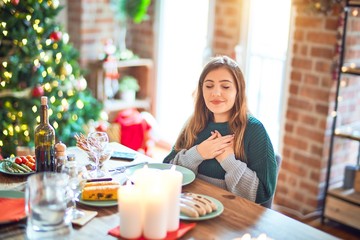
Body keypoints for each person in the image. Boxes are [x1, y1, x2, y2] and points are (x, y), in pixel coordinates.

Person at [163, 55, 278, 204]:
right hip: (192, 207)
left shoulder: (254, 130)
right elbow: (167, 170)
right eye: (209, 86)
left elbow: (263, 194)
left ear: (238, 91)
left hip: (233, 217)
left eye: (225, 86)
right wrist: (198, 153)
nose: (216, 93)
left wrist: (228, 160)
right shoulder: (194, 123)